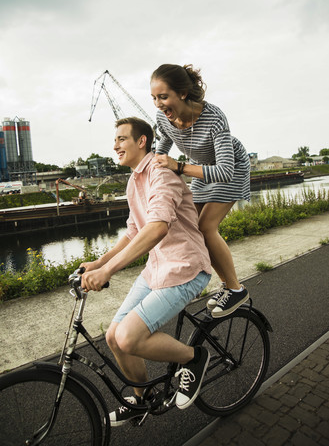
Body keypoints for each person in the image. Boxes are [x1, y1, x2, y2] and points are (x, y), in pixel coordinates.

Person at [80, 117, 212, 427]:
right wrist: (99, 264)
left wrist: (109, 270)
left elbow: (156, 229)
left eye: (122, 139)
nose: (115, 145)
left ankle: (194, 358)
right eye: (115, 140)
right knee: (114, 337)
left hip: (185, 268)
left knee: (128, 337)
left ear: (142, 142)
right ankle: (141, 400)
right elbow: (132, 232)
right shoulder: (133, 181)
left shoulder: (161, 174)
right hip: (157, 269)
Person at [150, 63, 250, 318]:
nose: (158, 104)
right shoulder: (164, 118)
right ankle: (215, 282)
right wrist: (152, 168)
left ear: (182, 93)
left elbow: (225, 171)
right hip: (201, 169)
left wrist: (180, 166)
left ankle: (236, 289)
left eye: (163, 97)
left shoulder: (214, 118)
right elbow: (163, 143)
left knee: (206, 228)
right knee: (187, 225)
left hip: (231, 167)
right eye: (154, 98)